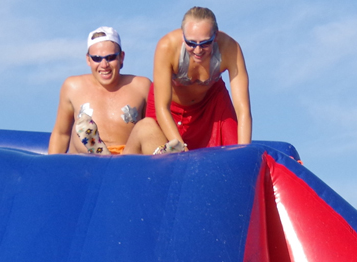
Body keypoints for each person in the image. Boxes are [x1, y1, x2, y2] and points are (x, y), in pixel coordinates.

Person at [125, 6, 251, 155]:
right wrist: (182, 151)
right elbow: (162, 107)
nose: (198, 50)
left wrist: (245, 153)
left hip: (210, 103)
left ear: (215, 36)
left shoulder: (230, 48)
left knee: (236, 152)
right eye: (191, 43)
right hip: (169, 108)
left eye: (205, 43)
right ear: (183, 35)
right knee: (163, 153)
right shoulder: (167, 47)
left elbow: (243, 109)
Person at [48, 27, 151, 156]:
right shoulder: (73, 87)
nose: (104, 64)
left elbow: (153, 130)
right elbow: (61, 134)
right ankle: (98, 152)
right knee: (79, 127)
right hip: (86, 161)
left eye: (110, 57)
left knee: (147, 126)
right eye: (97, 58)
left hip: (126, 160)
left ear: (121, 57)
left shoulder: (141, 86)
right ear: (88, 59)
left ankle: (103, 154)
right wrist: (49, 166)